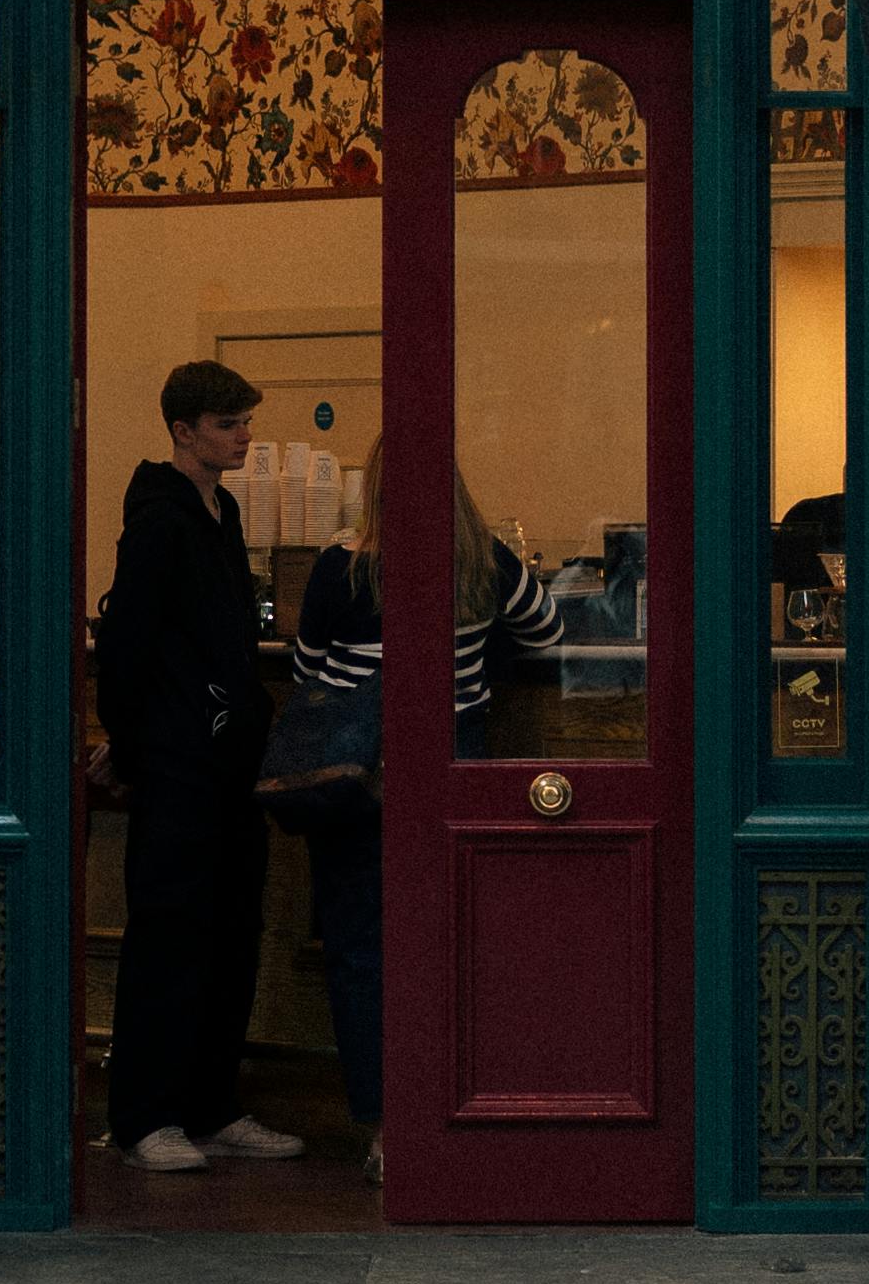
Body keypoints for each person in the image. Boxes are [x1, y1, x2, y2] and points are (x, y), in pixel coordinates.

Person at [284, 435, 565, 1184]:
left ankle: (381, 1126)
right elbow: (548, 632)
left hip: (356, 784)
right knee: (449, 941)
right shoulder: (483, 561)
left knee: (359, 950)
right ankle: (454, 1108)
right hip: (452, 773)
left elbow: (307, 672)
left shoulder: (340, 565)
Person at [95, 361, 302, 1176]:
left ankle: (211, 1106)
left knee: (231, 932)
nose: (244, 435)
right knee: (169, 935)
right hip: (183, 761)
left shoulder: (220, 511)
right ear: (184, 431)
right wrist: (139, 743)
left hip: (225, 760)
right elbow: (127, 642)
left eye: (245, 421)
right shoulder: (158, 520)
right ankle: (145, 1118)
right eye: (228, 424)